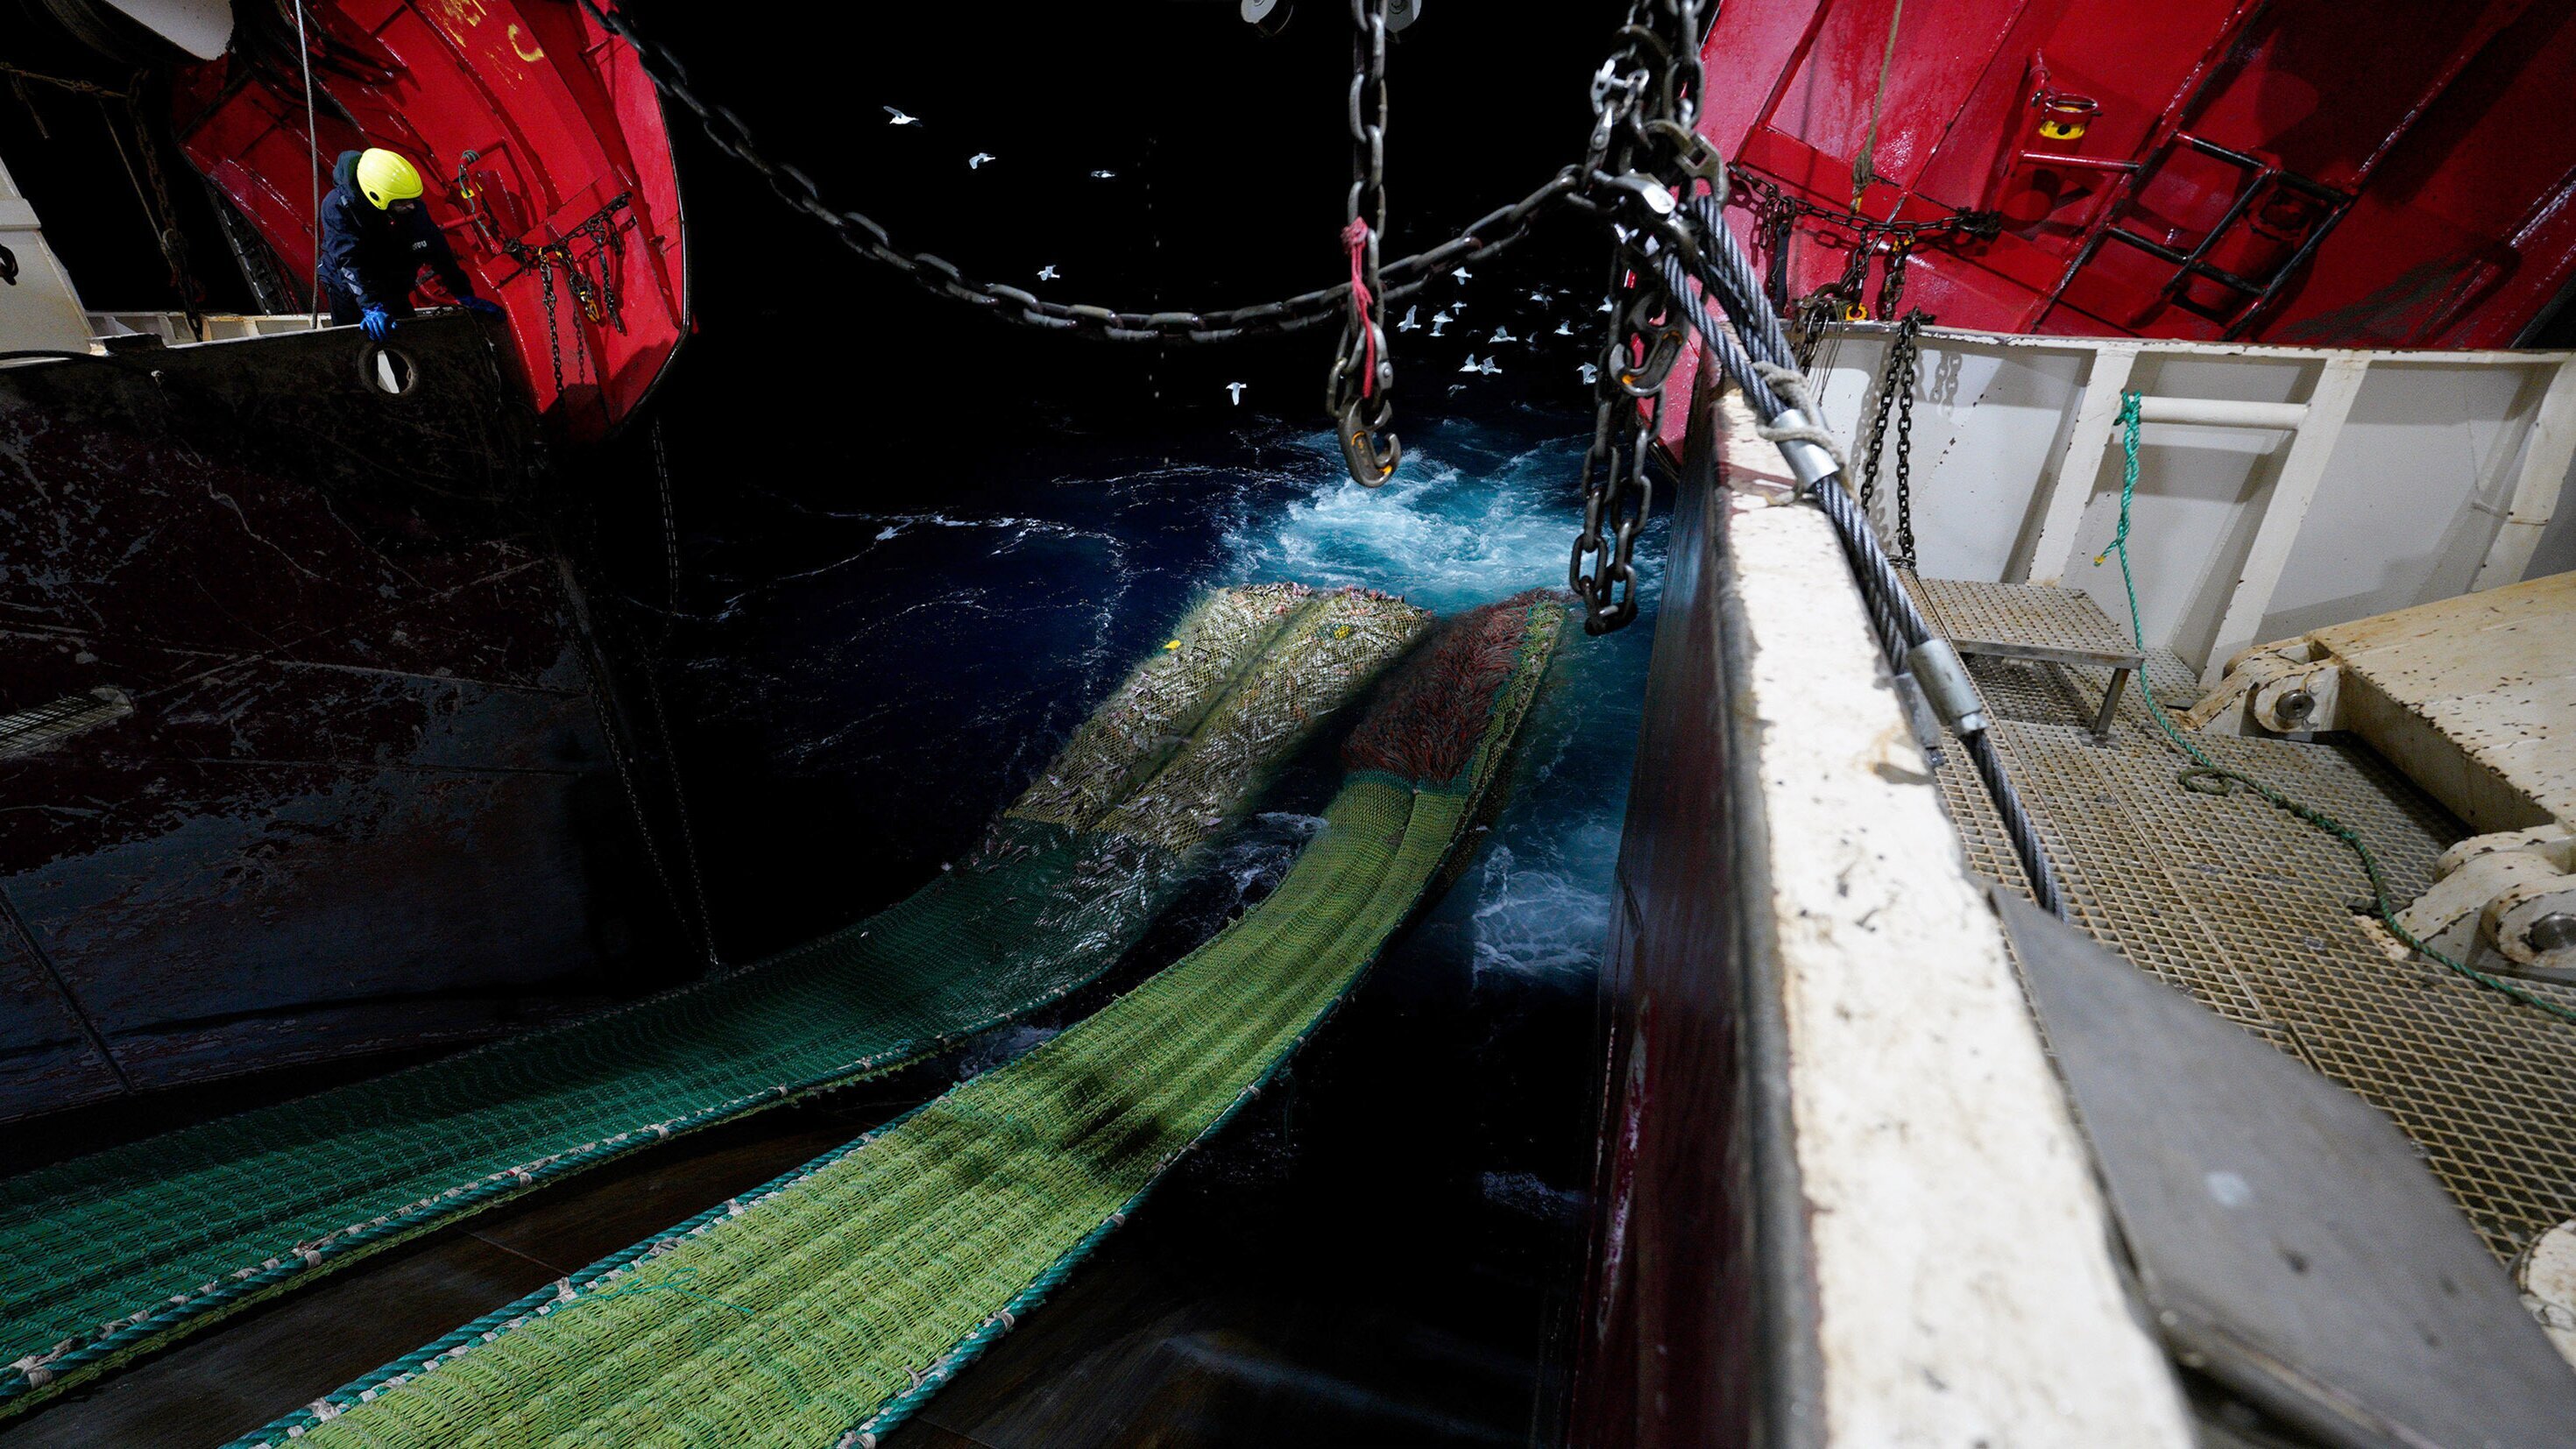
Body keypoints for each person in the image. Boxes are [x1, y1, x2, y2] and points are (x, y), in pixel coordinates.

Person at [318, 147, 504, 339]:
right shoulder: (338, 207)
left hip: (391, 281)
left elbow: (438, 250)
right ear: (377, 197)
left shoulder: (410, 207)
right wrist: (371, 306)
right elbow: (348, 260)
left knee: (407, 340)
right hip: (348, 285)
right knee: (353, 343)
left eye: (413, 200)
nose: (411, 206)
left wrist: (464, 294)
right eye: (403, 203)